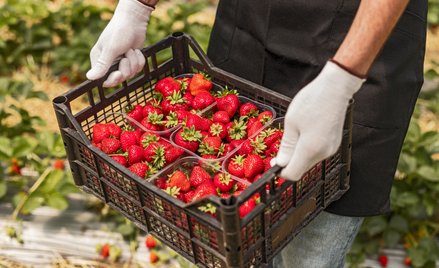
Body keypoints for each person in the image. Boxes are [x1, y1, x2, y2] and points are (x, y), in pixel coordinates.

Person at [86, 0, 428, 267]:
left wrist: (343, 80)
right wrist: (137, 7)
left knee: (311, 259)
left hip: (362, 41)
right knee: (227, 248)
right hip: (252, 23)